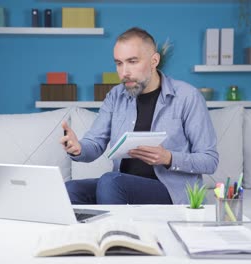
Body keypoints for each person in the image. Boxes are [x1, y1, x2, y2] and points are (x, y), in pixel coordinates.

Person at [60, 27, 218, 205]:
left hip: (170, 191)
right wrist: (78, 148)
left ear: (154, 61)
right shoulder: (115, 96)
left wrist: (168, 158)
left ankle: (117, 233)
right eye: (119, 63)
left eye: (132, 61)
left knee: (110, 182)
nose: (124, 72)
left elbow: (209, 160)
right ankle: (89, 233)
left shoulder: (187, 97)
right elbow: (95, 143)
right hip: (121, 186)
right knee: (70, 189)